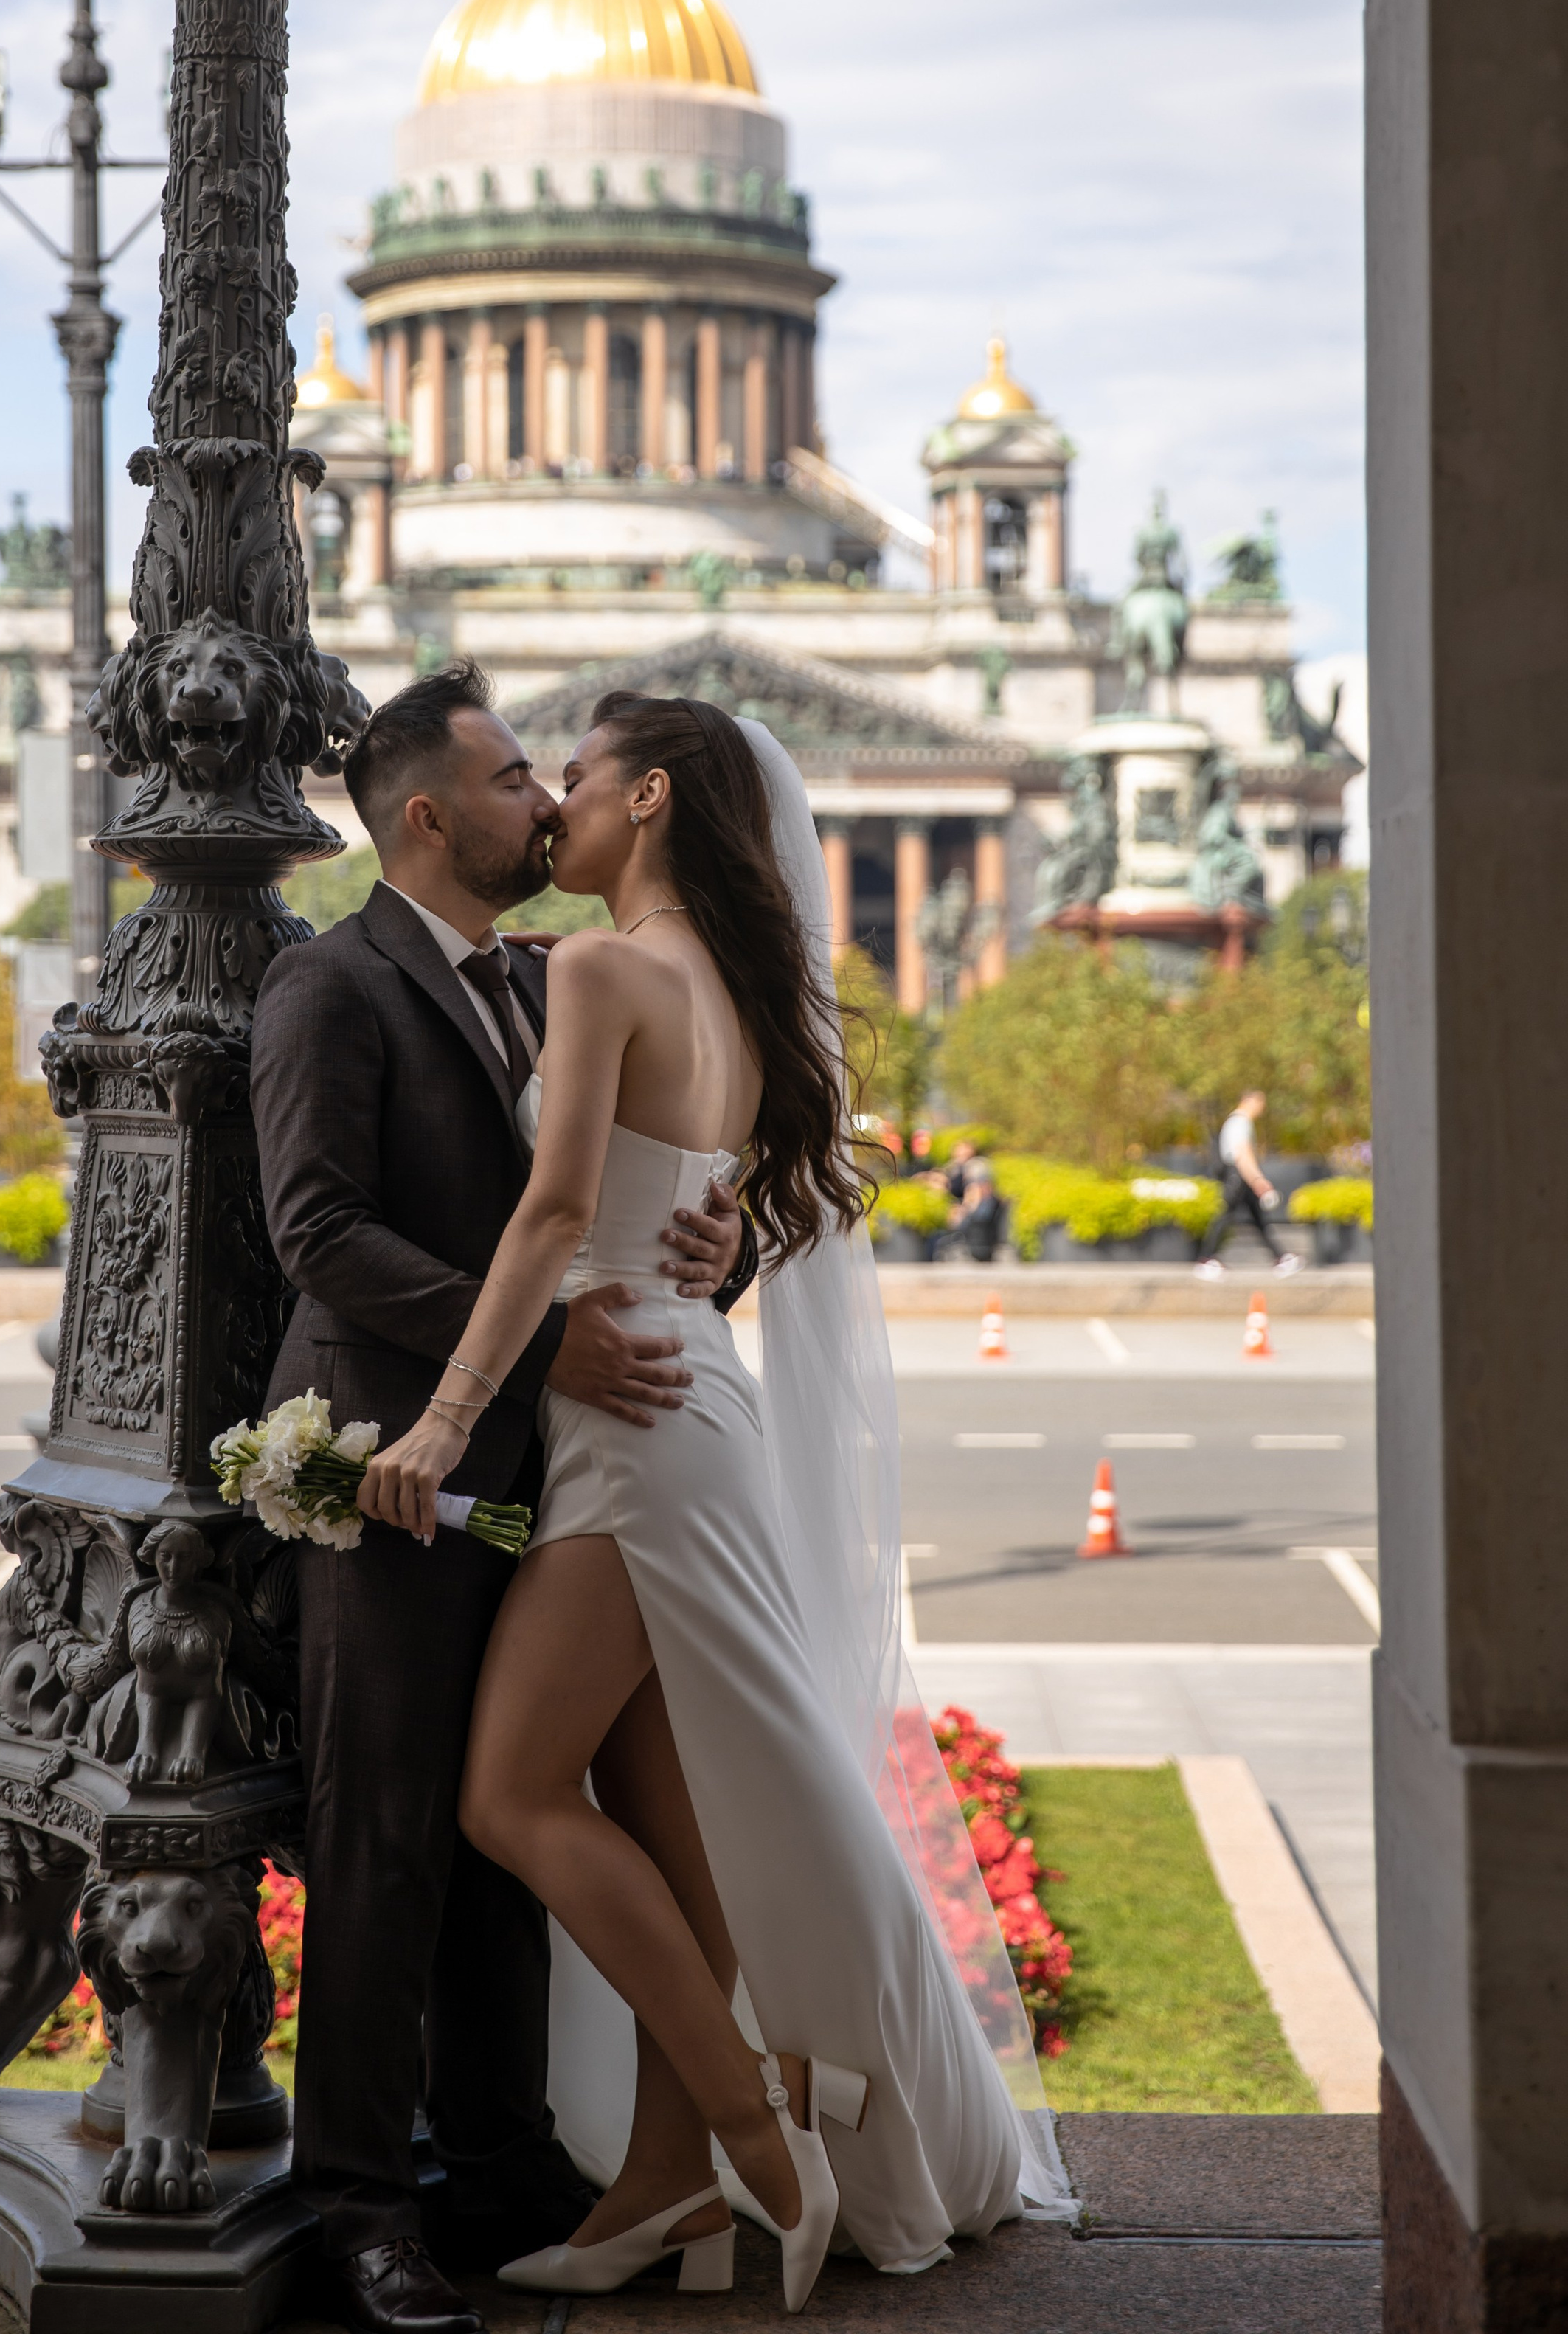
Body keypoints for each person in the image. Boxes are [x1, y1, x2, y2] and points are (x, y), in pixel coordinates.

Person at [355, 694, 1069, 2310]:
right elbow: (699, 1200)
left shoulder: (604, 969)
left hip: (633, 1419)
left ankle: (751, 2124)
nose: (553, 808)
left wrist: (447, 1419)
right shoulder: (733, 987)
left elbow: (550, 1216)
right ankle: (671, 2175)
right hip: (684, 1391)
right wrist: (717, 1245)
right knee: (705, 1812)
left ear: (652, 798)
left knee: (510, 1797)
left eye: (579, 780)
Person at [249, 663, 753, 2334]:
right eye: (510, 772)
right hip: (388, 1475)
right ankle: (360, 2201)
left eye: (546, 769)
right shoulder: (327, 986)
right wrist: (542, 1340)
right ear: (422, 816)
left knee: (499, 1835)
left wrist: (715, 1236)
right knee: (381, 1835)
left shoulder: (555, 975)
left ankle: (500, 2154)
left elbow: (627, 1182)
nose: (543, 798)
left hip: (539, 1474)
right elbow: (318, 1233)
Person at [1193, 1087, 1301, 1281]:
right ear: (1250, 1101)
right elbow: (1242, 1154)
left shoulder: (1236, 1122)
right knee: (1226, 1216)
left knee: (1257, 1219)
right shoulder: (1240, 1122)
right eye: (1261, 1104)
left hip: (1239, 1175)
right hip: (1238, 1175)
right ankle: (1206, 1259)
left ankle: (1280, 1257)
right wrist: (1257, 1179)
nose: (1262, 1109)